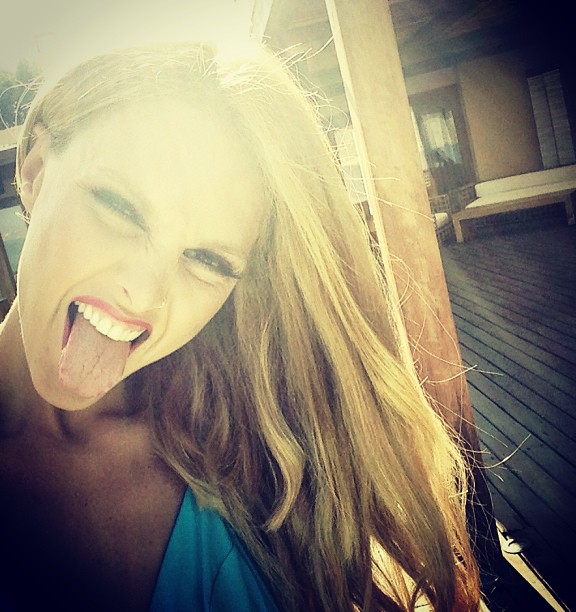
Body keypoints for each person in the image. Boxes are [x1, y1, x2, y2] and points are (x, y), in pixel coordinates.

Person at [0, 40, 481, 611]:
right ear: (34, 170)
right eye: (120, 207)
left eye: (208, 260)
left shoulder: (259, 467)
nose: (146, 295)